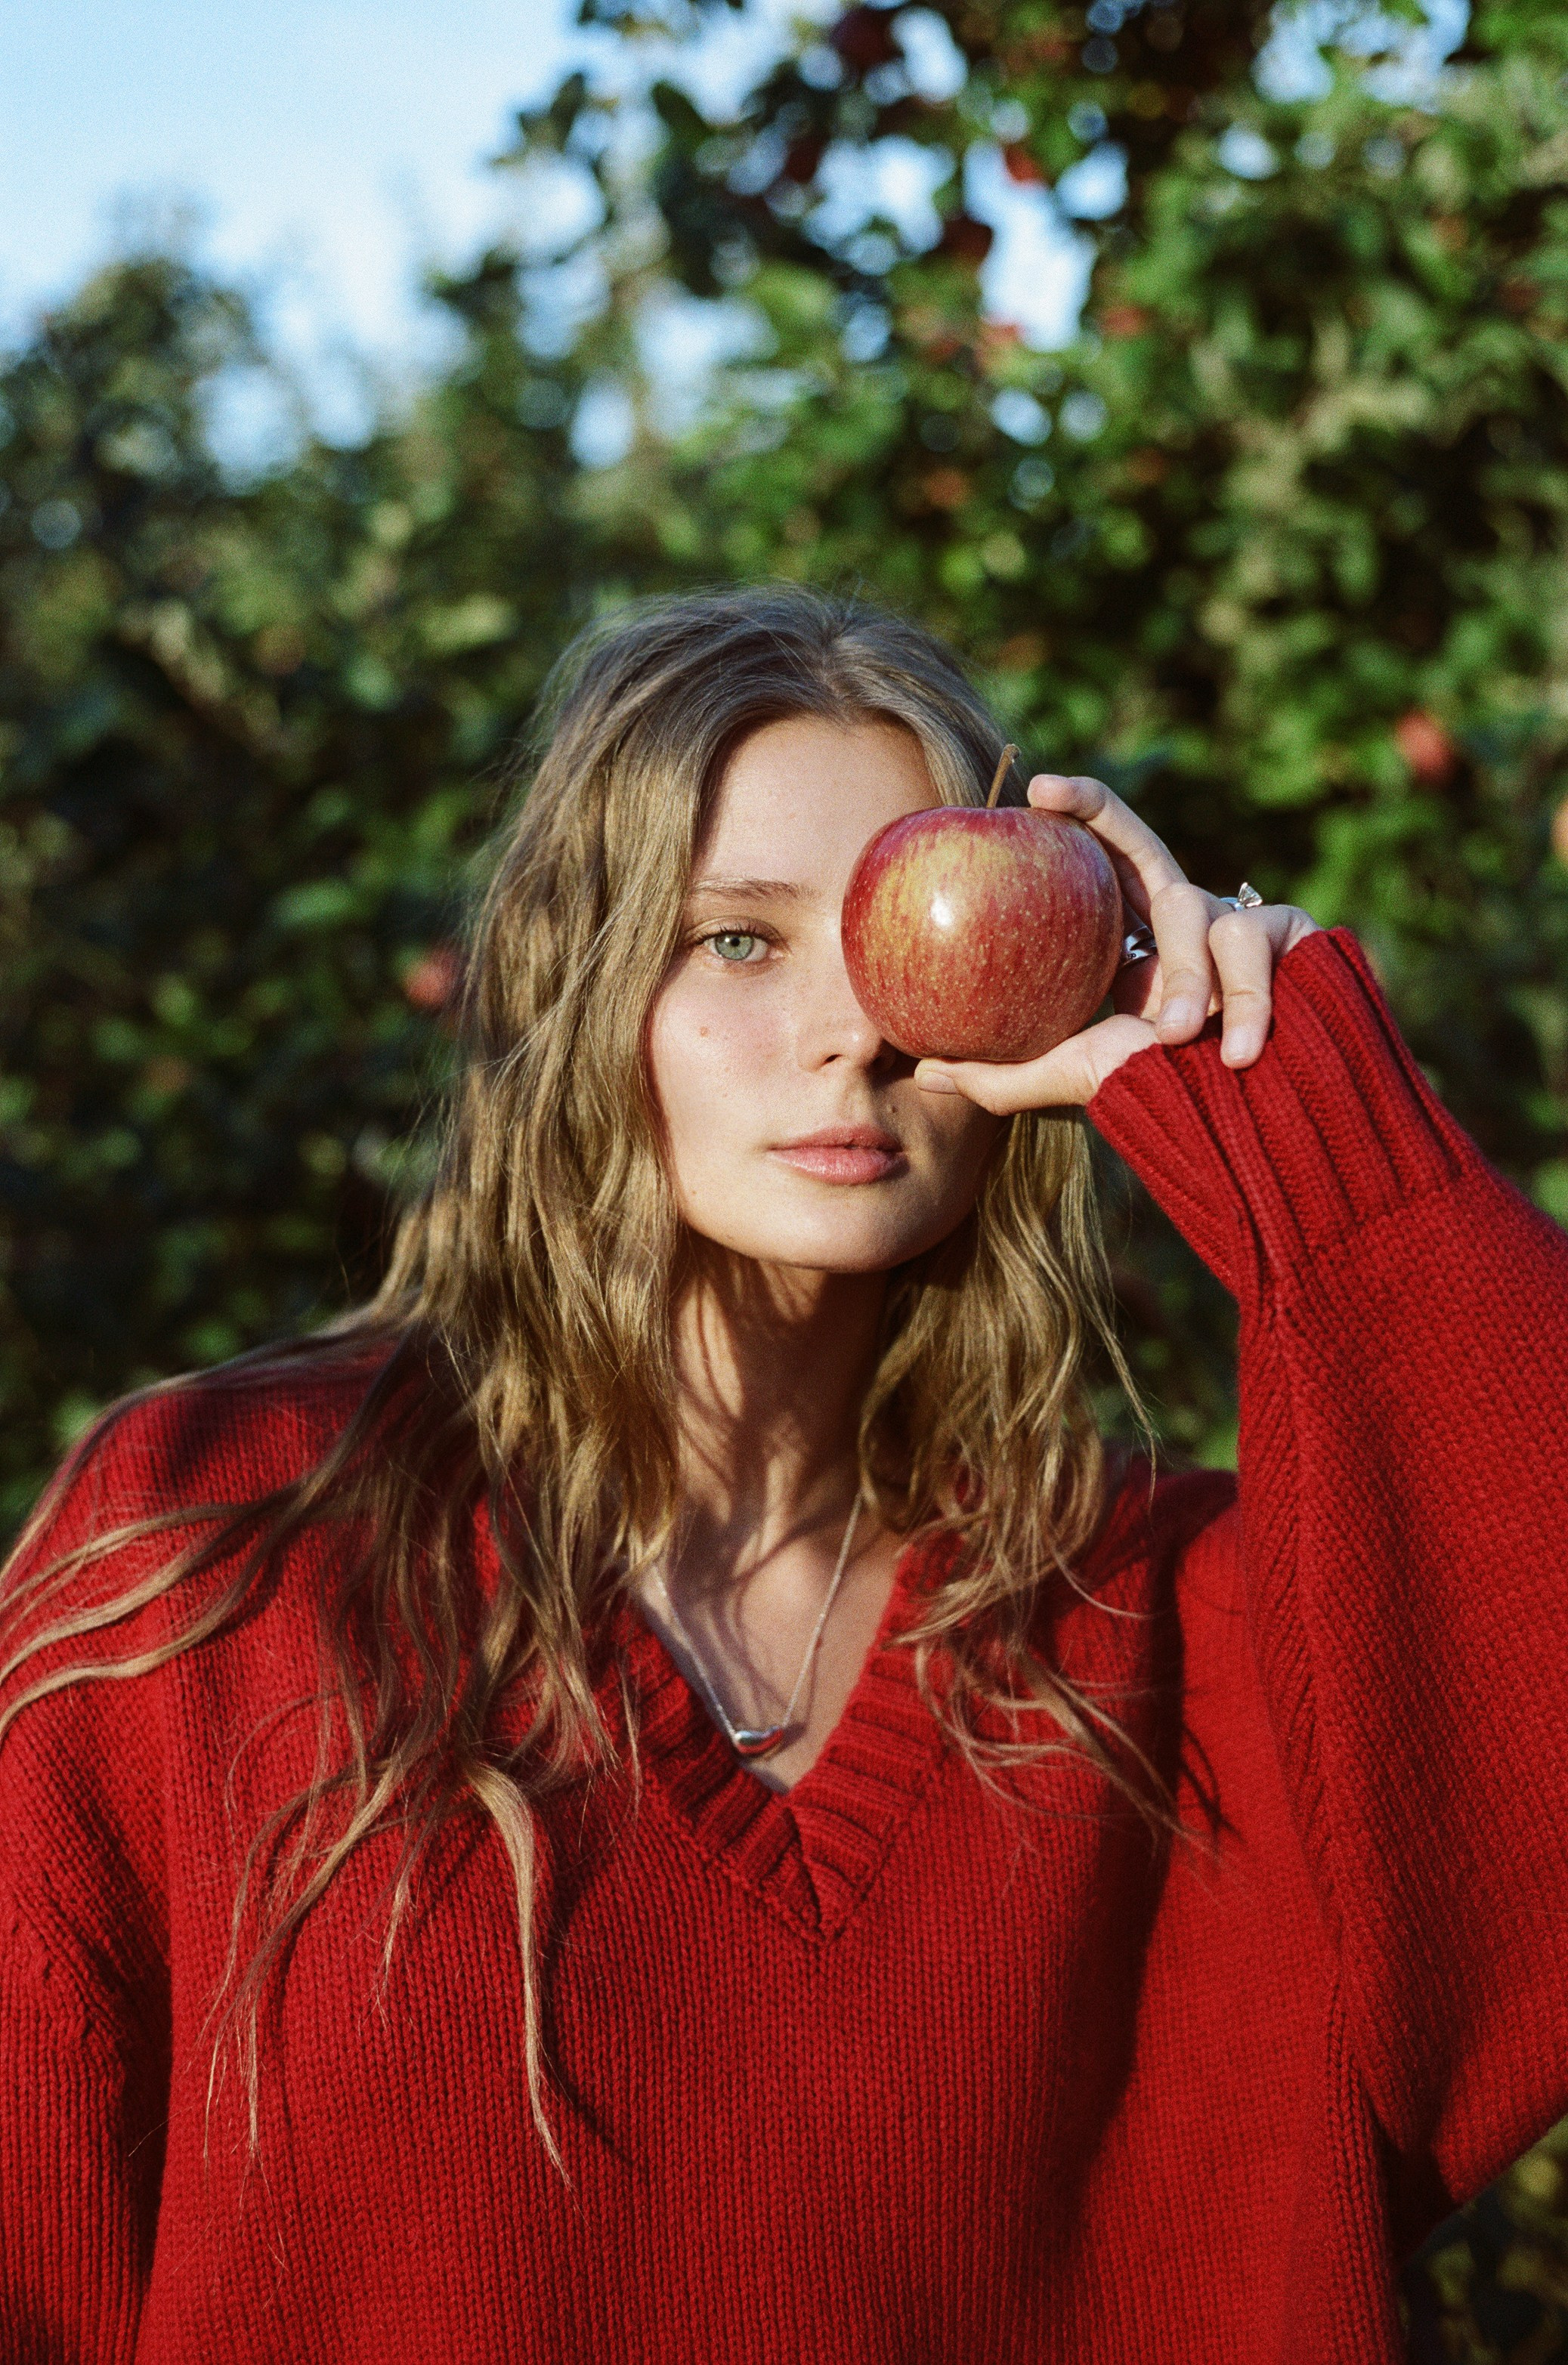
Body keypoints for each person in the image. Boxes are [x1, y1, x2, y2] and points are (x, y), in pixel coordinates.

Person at [1, 583, 1563, 2363]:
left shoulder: (1190, 1628)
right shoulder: (224, 1542)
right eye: (739, 939)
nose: (858, 1030)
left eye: (906, 936)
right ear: (575, 986)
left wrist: (1283, 1087)